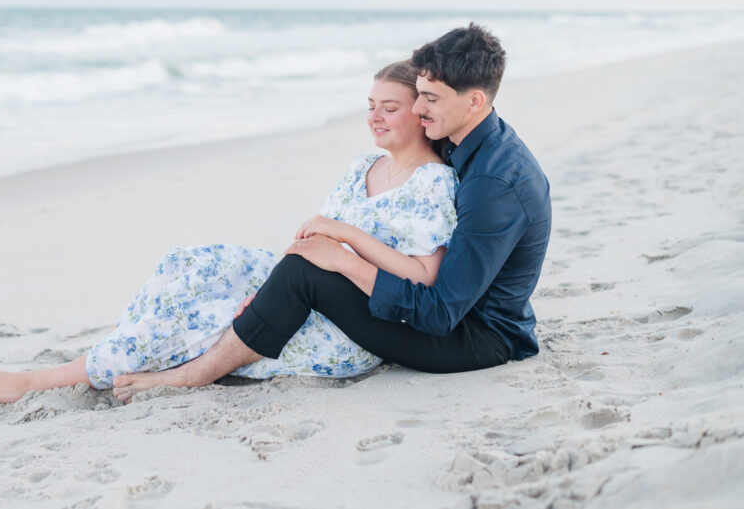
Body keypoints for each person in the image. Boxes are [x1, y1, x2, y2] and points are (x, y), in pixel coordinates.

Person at [0, 59, 458, 403]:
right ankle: (121, 347)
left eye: (389, 107)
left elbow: (424, 276)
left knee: (201, 315)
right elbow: (314, 245)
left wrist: (344, 241)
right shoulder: (364, 165)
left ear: (420, 113)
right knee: (193, 262)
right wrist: (270, 290)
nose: (374, 115)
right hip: (304, 284)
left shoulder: (432, 181)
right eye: (370, 103)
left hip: (347, 322)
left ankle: (42, 380)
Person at [110, 23, 551, 403]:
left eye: (429, 99)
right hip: (456, 312)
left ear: (474, 101)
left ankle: (192, 375)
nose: (417, 110)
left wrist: (343, 257)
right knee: (293, 267)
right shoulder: (470, 140)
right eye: (417, 97)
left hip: (475, 340)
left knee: (306, 274)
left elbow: (438, 313)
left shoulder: (496, 186)